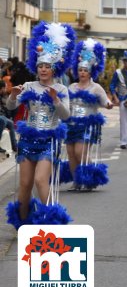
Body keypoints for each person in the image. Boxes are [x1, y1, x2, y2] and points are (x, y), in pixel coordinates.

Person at [5, 22, 75, 228]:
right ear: (36, 67)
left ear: (54, 69)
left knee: (40, 180)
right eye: (40, 66)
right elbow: (11, 107)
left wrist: (55, 100)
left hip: (48, 141)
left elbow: (66, 116)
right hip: (28, 140)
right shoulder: (28, 86)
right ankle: (23, 224)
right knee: (25, 185)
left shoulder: (61, 88)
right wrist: (13, 95)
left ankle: (52, 223)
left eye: (47, 67)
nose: (43, 70)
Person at [65, 38, 113, 191]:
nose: (83, 73)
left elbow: (105, 101)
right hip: (71, 124)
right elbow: (65, 104)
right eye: (80, 70)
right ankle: (77, 181)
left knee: (81, 152)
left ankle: (90, 178)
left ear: (90, 72)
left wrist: (108, 104)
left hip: (87, 125)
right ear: (76, 71)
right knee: (72, 154)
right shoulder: (71, 87)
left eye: (85, 70)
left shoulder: (96, 87)